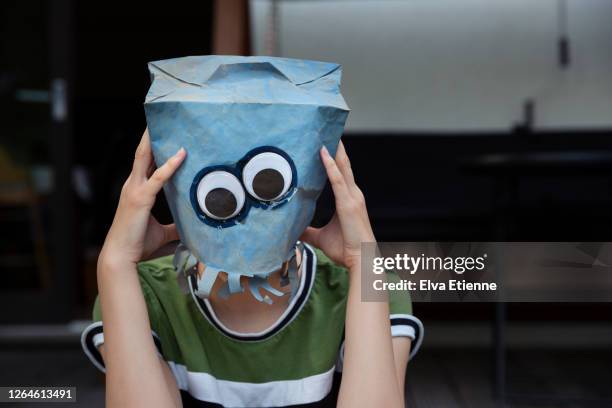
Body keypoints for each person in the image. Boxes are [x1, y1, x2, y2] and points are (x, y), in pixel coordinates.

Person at [82, 56, 422, 408]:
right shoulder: (141, 296)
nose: (246, 215)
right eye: (219, 197)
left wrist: (363, 261)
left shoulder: (369, 289)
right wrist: (116, 263)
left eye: (269, 182)